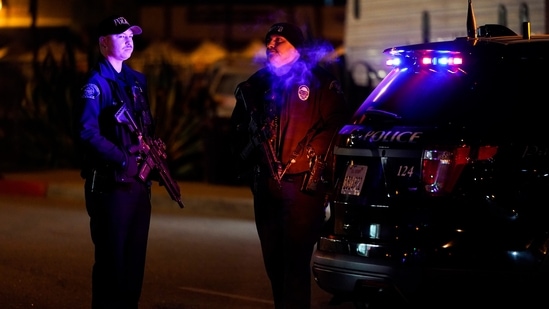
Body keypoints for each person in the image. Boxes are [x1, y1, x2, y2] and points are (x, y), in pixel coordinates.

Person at [230, 22, 351, 309]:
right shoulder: (255, 84)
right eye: (269, 40)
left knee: (295, 266)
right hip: (266, 186)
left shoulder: (319, 81)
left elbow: (337, 124)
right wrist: (249, 162)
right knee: (274, 264)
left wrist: (311, 156)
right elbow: (237, 130)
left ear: (296, 47)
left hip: (302, 189)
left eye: (279, 40)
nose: (271, 44)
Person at [77, 15, 154, 309]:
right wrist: (123, 159)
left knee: (133, 269)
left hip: (138, 186)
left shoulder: (135, 81)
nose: (128, 40)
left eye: (131, 36)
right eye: (120, 36)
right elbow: (87, 132)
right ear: (103, 43)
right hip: (111, 186)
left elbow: (147, 128)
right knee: (112, 267)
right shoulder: (96, 84)